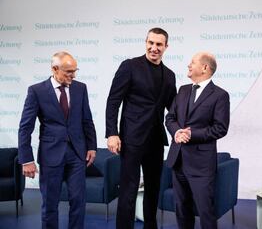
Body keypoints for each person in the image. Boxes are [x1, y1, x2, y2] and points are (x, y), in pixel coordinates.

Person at [105, 27, 177, 229]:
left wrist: (184, 127)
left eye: (159, 44)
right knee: (128, 188)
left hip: (156, 140)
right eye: (151, 43)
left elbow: (173, 109)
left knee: (154, 188)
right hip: (131, 138)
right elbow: (113, 101)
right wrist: (112, 133)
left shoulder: (170, 75)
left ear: (166, 47)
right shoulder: (129, 66)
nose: (154, 48)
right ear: (146, 42)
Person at [18, 51, 97, 229]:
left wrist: (92, 147)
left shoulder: (80, 88)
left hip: (77, 154)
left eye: (75, 70)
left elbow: (87, 120)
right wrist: (26, 160)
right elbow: (25, 127)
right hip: (50, 155)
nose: (73, 75)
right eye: (69, 71)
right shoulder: (36, 91)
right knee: (50, 204)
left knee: (78, 201)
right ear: (55, 69)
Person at [165, 52, 230, 229]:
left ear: (204, 68)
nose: (188, 65)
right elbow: (170, 118)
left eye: (192, 62)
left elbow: (220, 128)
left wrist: (191, 134)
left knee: (205, 212)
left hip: (201, 165)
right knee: (182, 210)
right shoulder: (183, 90)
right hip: (178, 161)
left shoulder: (220, 95)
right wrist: (177, 131)